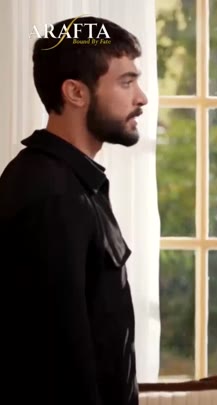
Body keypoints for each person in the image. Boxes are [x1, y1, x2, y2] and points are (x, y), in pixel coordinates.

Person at [0, 16, 148, 405]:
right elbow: (56, 363)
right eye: (126, 82)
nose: (141, 98)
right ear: (76, 93)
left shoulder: (76, 183)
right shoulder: (50, 194)